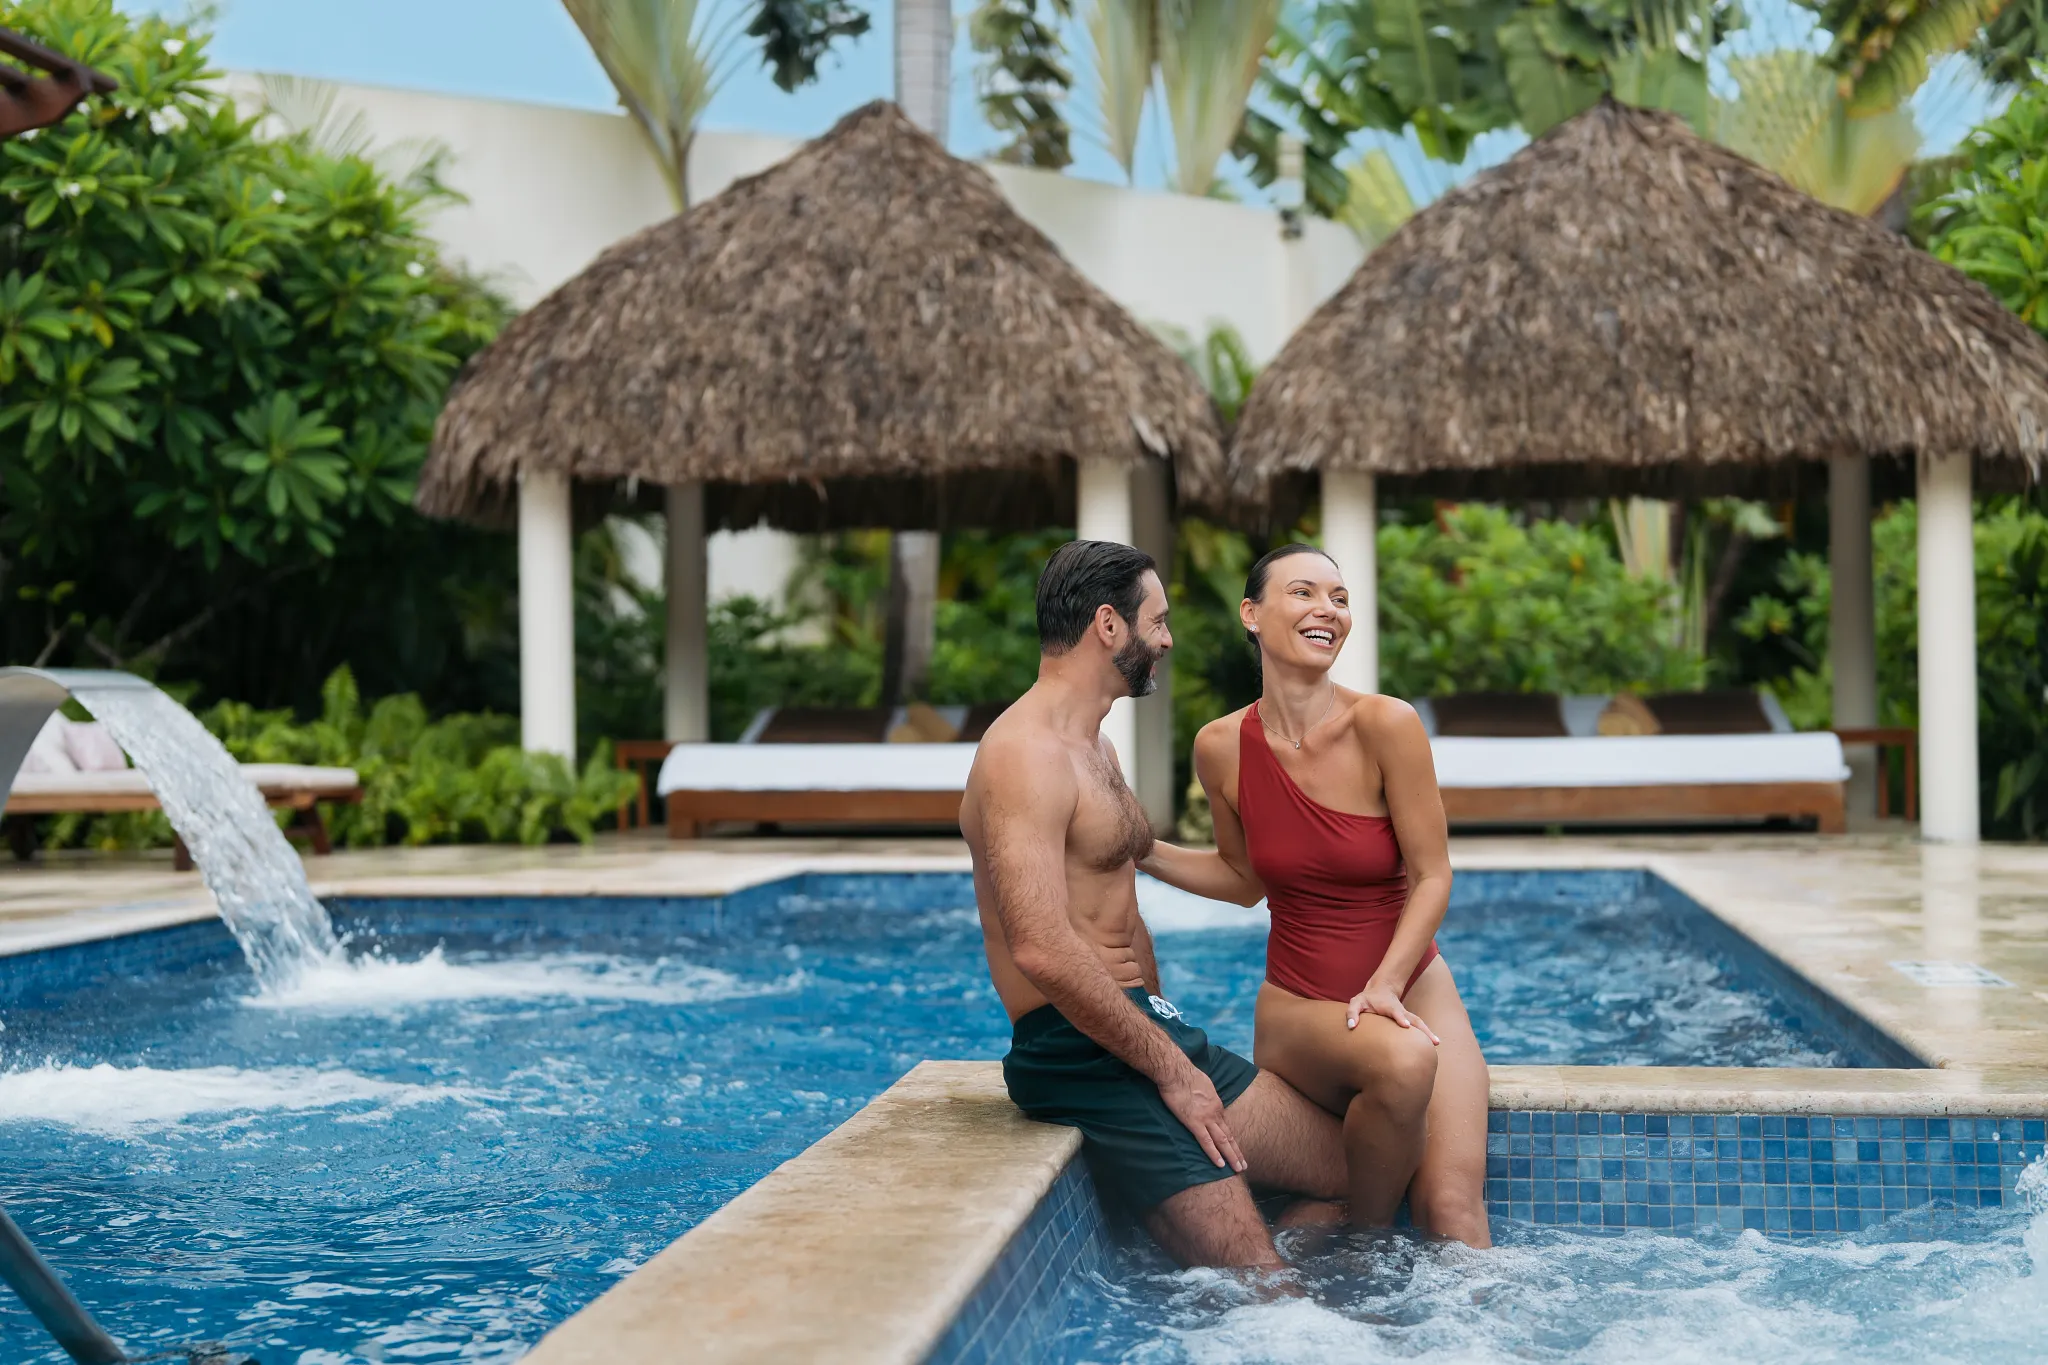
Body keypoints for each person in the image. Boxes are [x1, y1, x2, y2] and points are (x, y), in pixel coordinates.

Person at [962, 539, 1350, 1270]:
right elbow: (1040, 947)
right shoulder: (1024, 754)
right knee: (1264, 1287)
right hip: (1078, 1050)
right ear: (1109, 625)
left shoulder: (1096, 748)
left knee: (1355, 1172)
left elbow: (1125, 911)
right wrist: (1171, 1072)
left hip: (1141, 1030)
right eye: (1158, 621)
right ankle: (1246, 1268)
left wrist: (1165, 1031)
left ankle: (1217, 1250)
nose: (1167, 640)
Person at [1139, 544, 1492, 1247]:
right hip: (1302, 1006)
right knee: (1404, 1059)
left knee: (1453, 1212)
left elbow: (1433, 875)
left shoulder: (1387, 725)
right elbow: (1242, 880)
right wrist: (1141, 850)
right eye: (1303, 592)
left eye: (1339, 598)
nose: (1327, 609)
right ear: (1252, 613)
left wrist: (1387, 984)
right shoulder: (1220, 746)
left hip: (1413, 987)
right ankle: (1364, 1244)